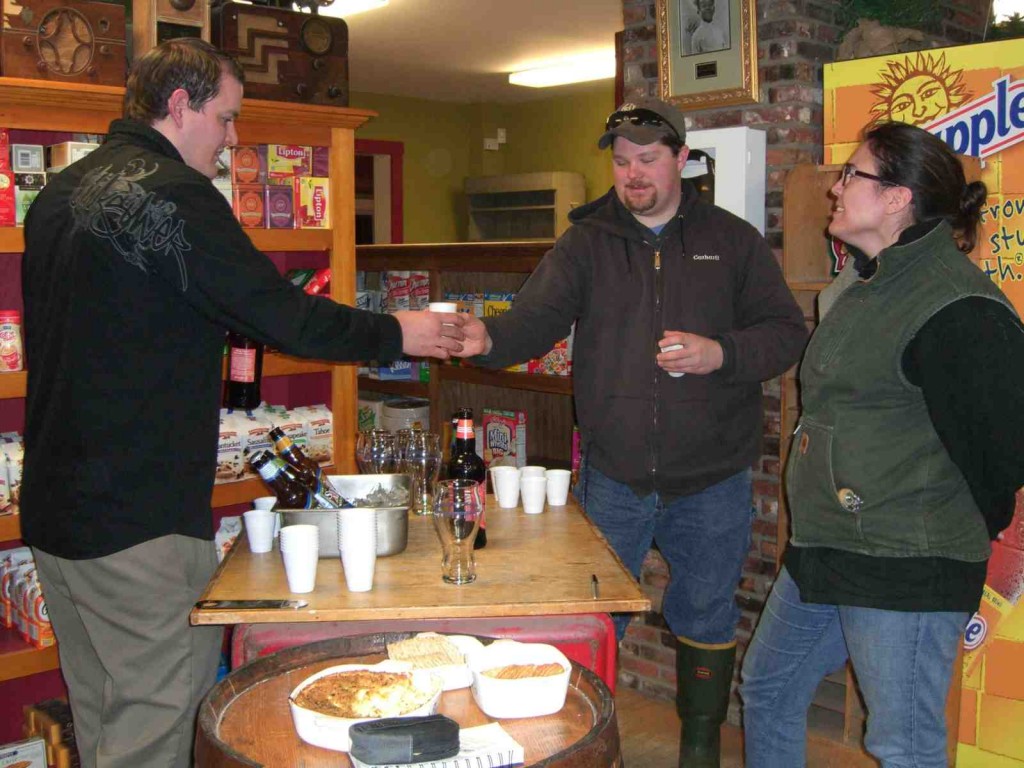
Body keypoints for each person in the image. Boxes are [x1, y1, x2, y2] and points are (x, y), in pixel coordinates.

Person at [19, 38, 465, 768]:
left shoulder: (62, 193)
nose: (232, 140)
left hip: (54, 509)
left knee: (100, 710)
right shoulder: (177, 195)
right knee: (161, 720)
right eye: (226, 118)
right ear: (178, 106)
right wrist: (398, 332)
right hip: (136, 519)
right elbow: (281, 315)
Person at [453, 97, 807, 767]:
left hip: (713, 478)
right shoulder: (586, 241)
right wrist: (486, 338)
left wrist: (720, 353)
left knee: (706, 614)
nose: (633, 174)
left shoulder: (732, 240)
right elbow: (534, 320)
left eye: (647, 159)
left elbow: (786, 333)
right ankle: (584, 749)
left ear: (682, 159)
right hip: (613, 476)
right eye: (621, 162)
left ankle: (698, 751)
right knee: (592, 620)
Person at [739, 121, 1024, 767]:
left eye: (852, 174)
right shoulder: (867, 283)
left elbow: (1002, 455)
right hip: (827, 547)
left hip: (904, 564)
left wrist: (927, 529)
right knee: (769, 689)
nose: (835, 188)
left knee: (903, 745)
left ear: (897, 198)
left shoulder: (956, 305)